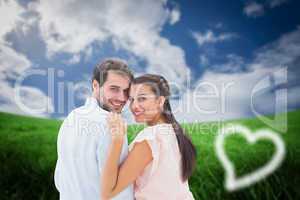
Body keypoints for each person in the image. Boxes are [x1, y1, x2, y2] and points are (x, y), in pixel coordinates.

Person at [101, 74, 197, 200]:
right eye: (131, 100)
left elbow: (108, 193)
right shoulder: (174, 132)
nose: (134, 106)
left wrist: (117, 141)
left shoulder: (150, 138)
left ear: (160, 101)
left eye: (142, 99)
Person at [54, 59, 134, 200]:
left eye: (126, 91)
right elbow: (119, 193)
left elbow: (60, 180)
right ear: (95, 85)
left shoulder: (71, 118)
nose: (122, 98)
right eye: (114, 89)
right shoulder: (113, 125)